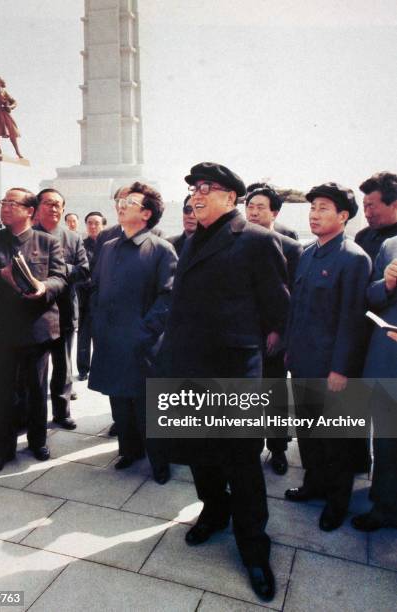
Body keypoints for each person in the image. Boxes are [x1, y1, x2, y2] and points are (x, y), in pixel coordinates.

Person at [158, 162, 290, 602]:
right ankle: (214, 513)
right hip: (189, 368)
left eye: (207, 188)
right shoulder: (191, 240)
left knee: (242, 462)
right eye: (194, 188)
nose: (197, 194)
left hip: (234, 373)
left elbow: (277, 308)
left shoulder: (255, 239)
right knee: (199, 453)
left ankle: (254, 547)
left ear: (230, 197)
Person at [285, 182, 372, 531]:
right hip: (304, 362)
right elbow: (297, 307)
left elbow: (352, 320)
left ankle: (337, 502)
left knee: (335, 439)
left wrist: (340, 368)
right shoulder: (308, 254)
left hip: (331, 369)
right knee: (308, 432)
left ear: (343, 216)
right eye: (312, 208)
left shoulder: (352, 258)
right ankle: (313, 485)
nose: (314, 214)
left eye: (323, 208)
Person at [0, 187, 67, 475]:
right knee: (0, 391)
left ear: (29, 211)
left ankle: (37, 441)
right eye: (3, 202)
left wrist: (43, 287)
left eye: (12, 203)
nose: (5, 207)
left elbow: (60, 278)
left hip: (37, 329)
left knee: (37, 390)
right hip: (1, 330)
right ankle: (3, 449)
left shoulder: (48, 243)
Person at [89, 182, 177, 485]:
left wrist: (144, 333)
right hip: (111, 341)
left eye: (131, 201)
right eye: (122, 200)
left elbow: (167, 299)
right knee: (119, 402)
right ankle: (129, 450)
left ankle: (160, 460)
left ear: (146, 214)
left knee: (147, 407)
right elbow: (97, 288)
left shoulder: (161, 250)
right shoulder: (109, 247)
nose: (122, 204)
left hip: (143, 345)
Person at [245, 184, 303, 475]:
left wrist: (279, 331)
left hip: (272, 335)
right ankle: (250, 447)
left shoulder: (289, 245)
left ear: (274, 212)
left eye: (260, 208)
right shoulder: (237, 241)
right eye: (250, 206)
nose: (253, 212)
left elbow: (291, 294)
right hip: (243, 332)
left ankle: (278, 449)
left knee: (275, 392)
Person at [351, 236, 397, 531]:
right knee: (386, 440)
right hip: (388, 359)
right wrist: (388, 285)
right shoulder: (391, 245)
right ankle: (384, 506)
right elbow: (371, 297)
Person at [34, 189, 89, 429]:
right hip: (35, 314)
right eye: (48, 204)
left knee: (63, 367)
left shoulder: (73, 238)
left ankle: (62, 412)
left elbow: (84, 271)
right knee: (33, 370)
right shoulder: (28, 236)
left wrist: (56, 269)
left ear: (63, 209)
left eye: (58, 205)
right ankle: (30, 415)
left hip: (64, 310)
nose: (54, 209)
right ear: (37, 208)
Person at [76, 211, 107, 380]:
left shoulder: (110, 245)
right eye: (89, 223)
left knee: (103, 334)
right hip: (85, 297)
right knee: (84, 334)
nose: (93, 226)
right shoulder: (80, 245)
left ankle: (101, 366)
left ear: (103, 225)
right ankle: (83, 369)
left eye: (96, 223)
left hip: (104, 297)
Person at [355, 172, 397, 262]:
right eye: (365, 206)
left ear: (394, 205)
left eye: (371, 206)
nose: (367, 214)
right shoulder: (362, 237)